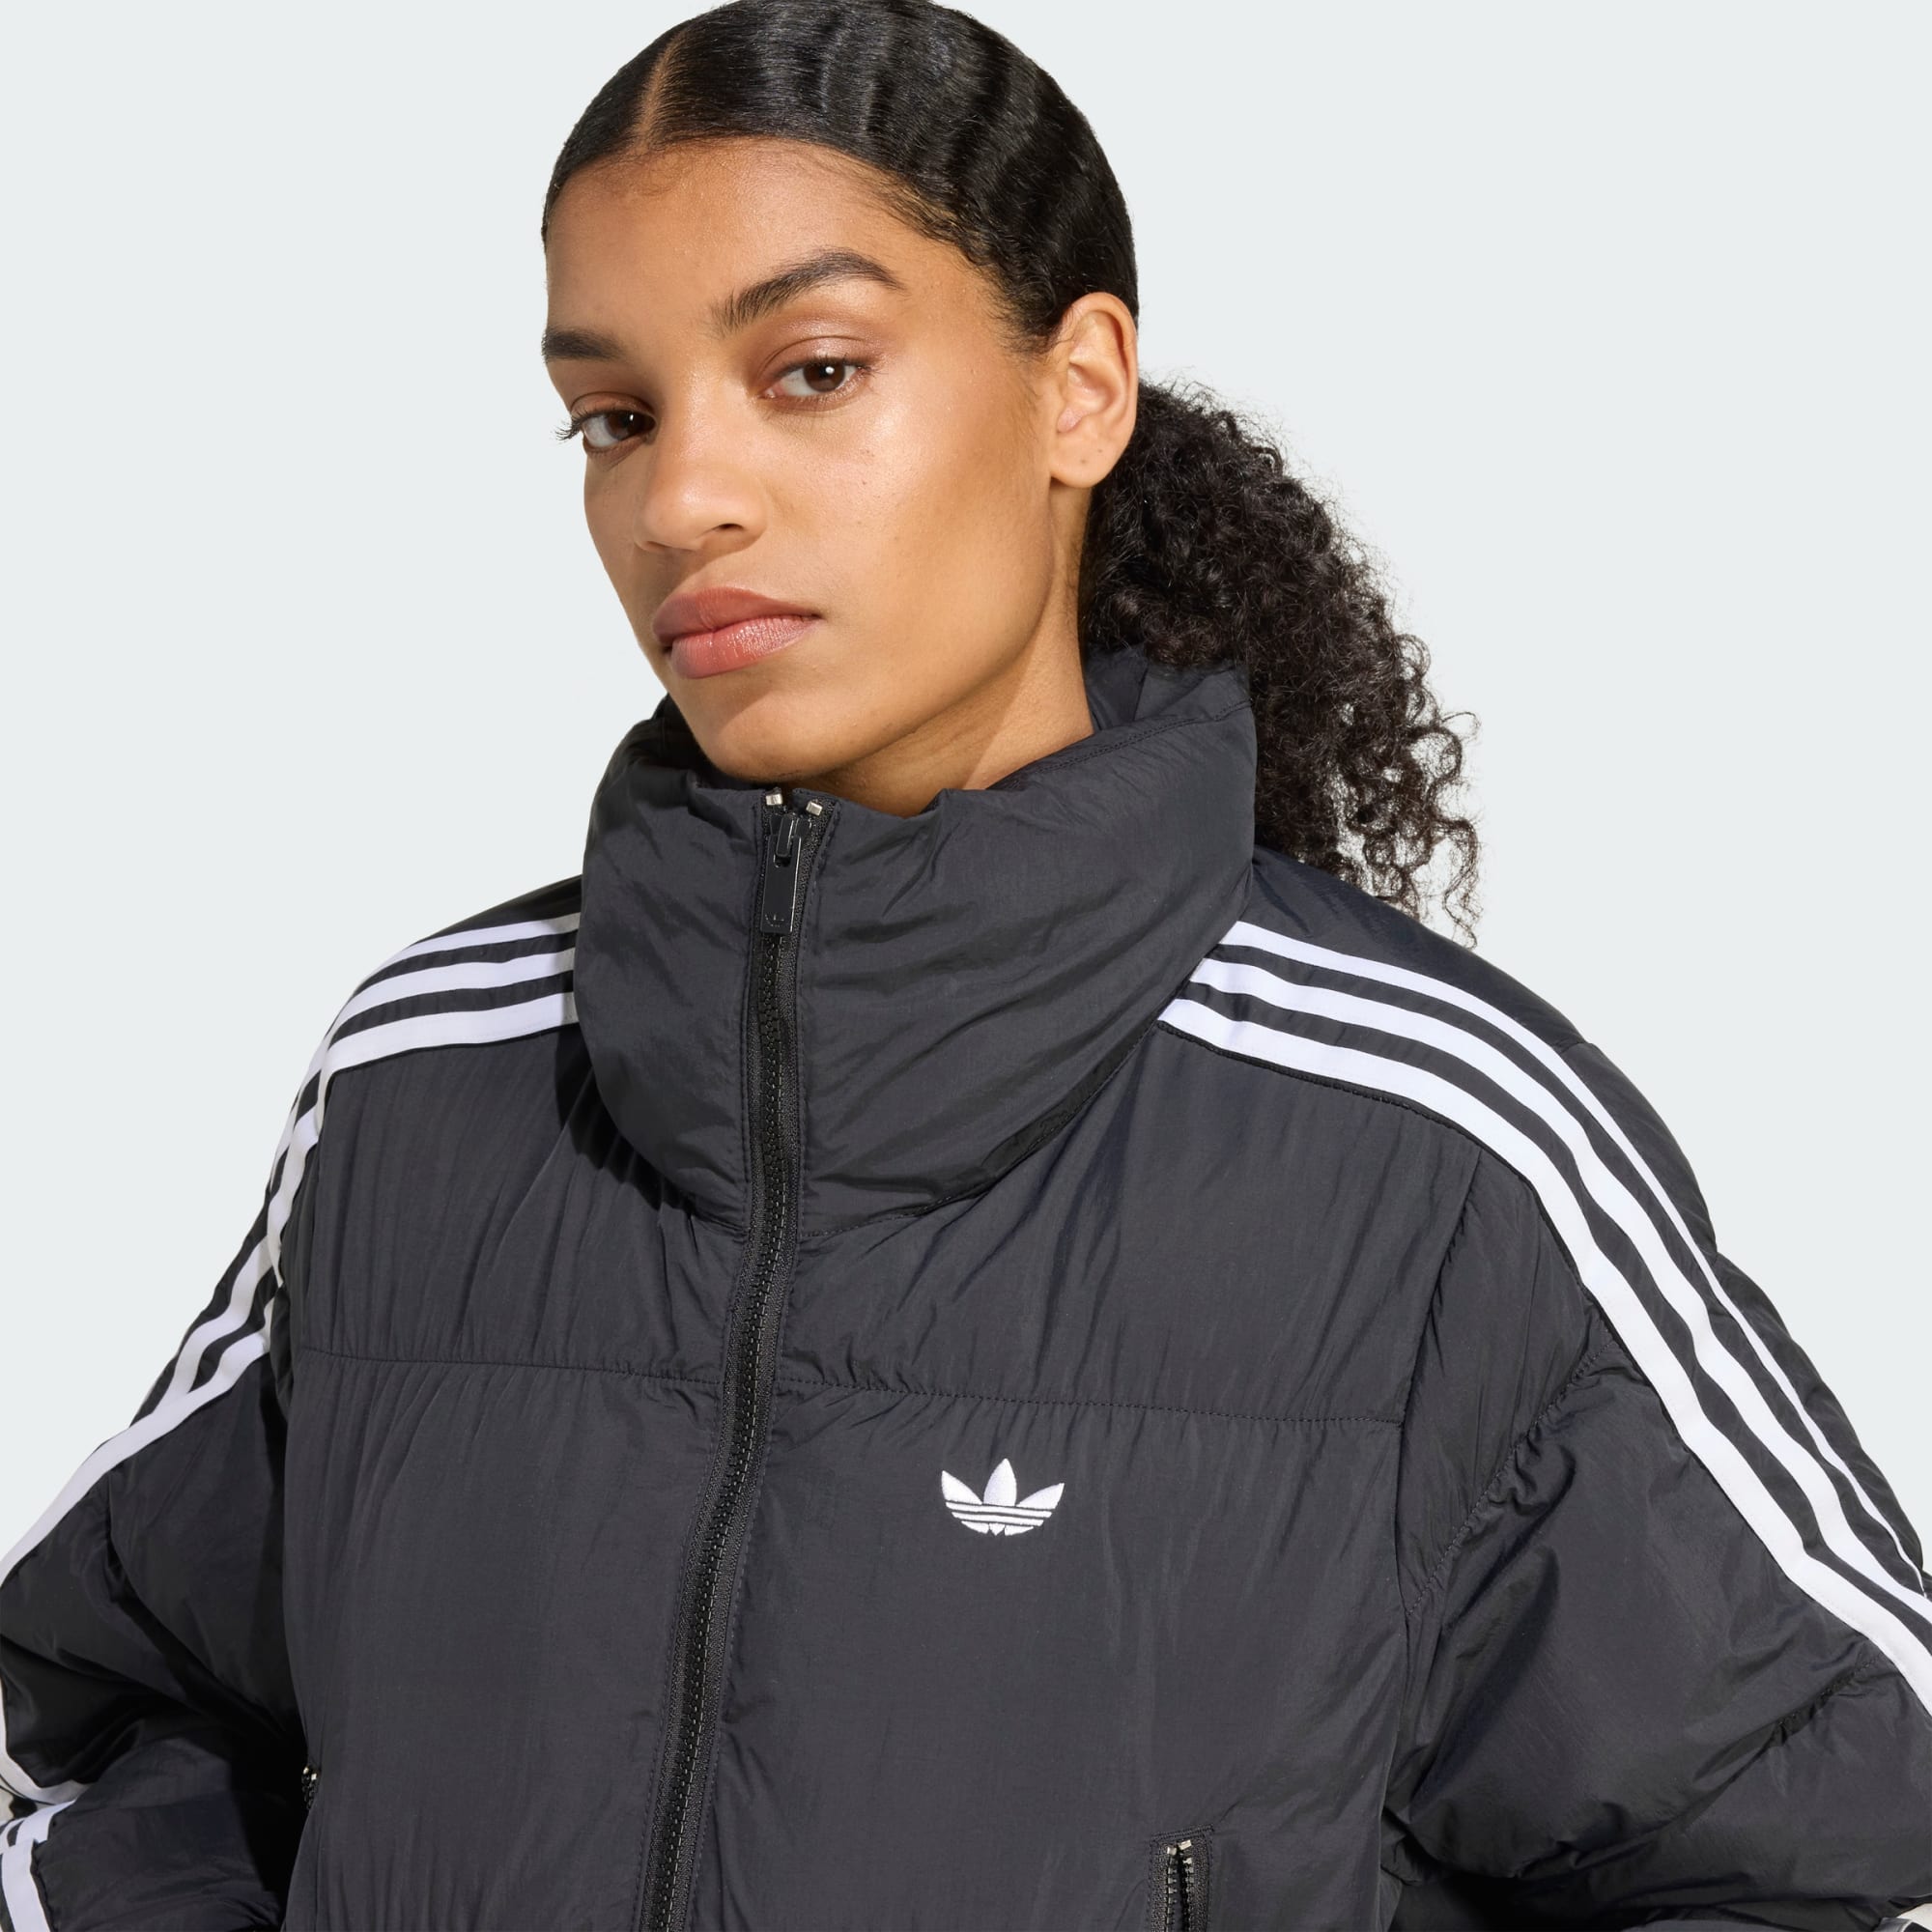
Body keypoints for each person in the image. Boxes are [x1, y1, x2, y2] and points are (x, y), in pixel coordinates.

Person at [3, 1, 1927, 1926]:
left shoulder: (1432, 1151)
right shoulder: (428, 1079)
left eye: (814, 371)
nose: (680, 500)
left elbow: (1830, 1852)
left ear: (1078, 392)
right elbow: (97, 1722)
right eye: (617, 414)